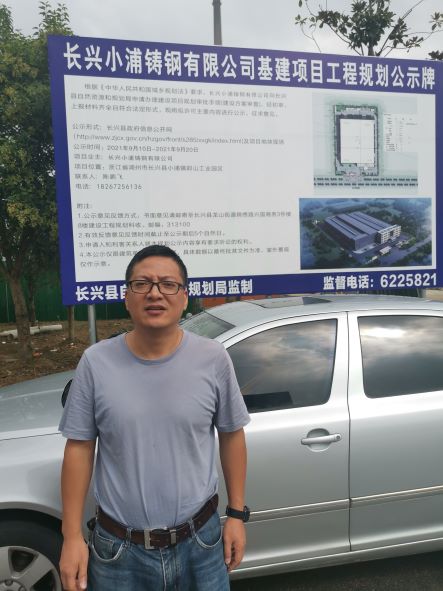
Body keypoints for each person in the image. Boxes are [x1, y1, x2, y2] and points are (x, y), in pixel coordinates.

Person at [58, 244, 250, 591]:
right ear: (126, 297)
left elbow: (232, 434)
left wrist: (237, 514)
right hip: (119, 550)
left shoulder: (213, 358)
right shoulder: (96, 362)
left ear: (185, 297)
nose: (155, 293)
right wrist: (71, 537)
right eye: (142, 283)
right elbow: (79, 448)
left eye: (168, 284)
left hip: (201, 542)